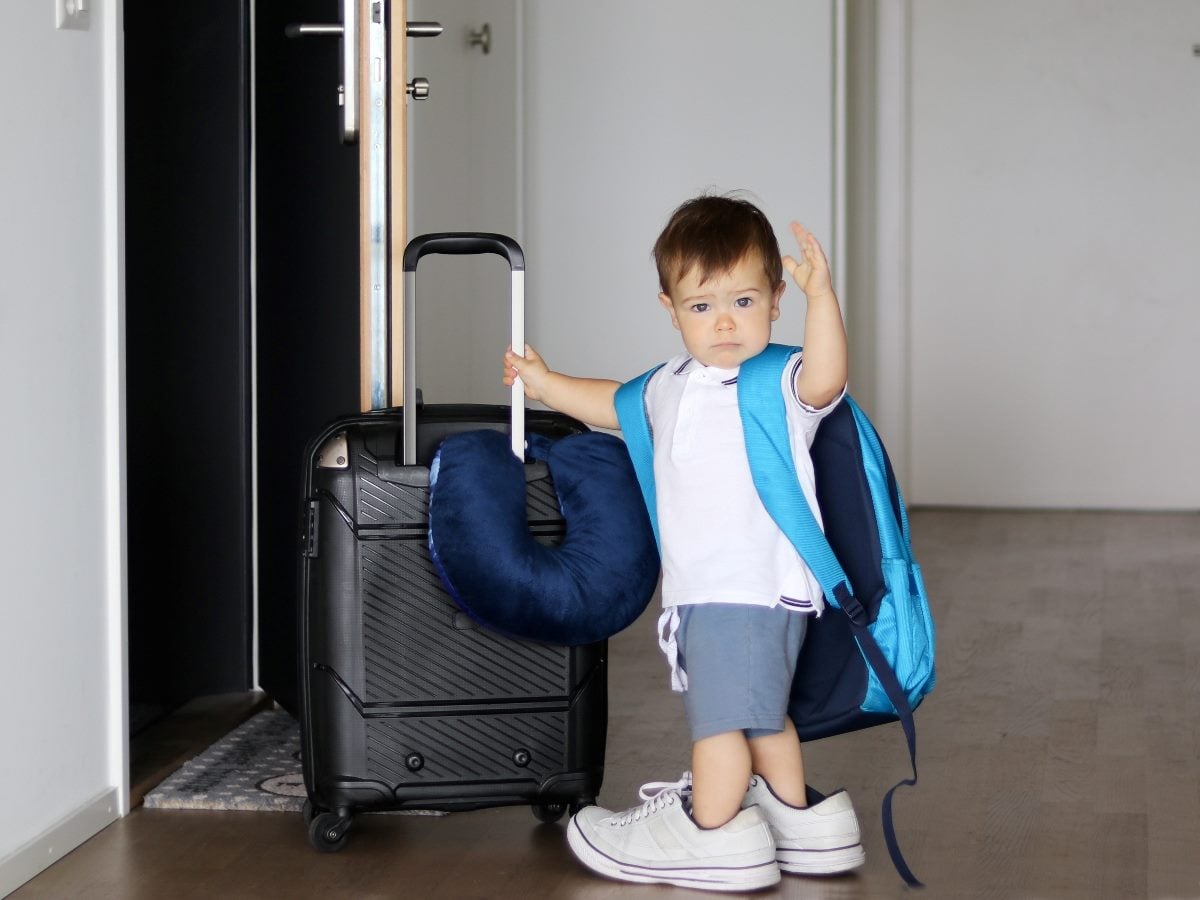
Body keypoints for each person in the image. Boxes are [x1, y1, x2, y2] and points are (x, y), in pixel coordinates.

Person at [502, 194, 865, 892]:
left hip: (744, 586)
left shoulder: (777, 380)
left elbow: (828, 379)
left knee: (720, 722)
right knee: (761, 716)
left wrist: (825, 301)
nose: (724, 322)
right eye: (701, 307)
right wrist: (545, 383)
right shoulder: (671, 385)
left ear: (776, 301)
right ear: (670, 309)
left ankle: (709, 832)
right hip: (727, 591)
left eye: (744, 301)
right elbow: (611, 403)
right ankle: (798, 823)